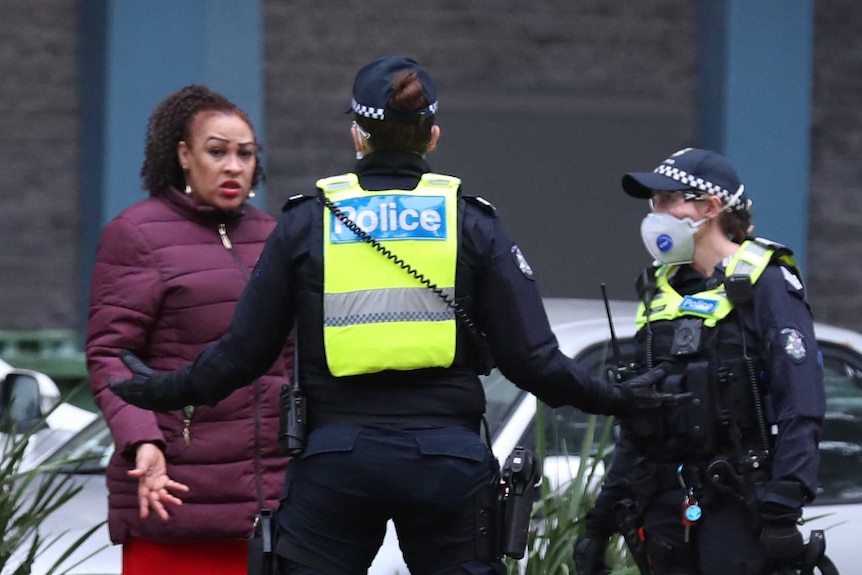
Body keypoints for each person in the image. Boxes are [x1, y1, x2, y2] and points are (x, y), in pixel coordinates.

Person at [108, 56, 670, 575]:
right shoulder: (472, 222)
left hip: (336, 464)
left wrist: (159, 389)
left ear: (357, 133)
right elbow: (534, 361)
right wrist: (618, 399)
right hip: (448, 463)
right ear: (432, 135)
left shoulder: (308, 224)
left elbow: (242, 355)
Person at [572, 148, 825, 575]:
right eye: (653, 201)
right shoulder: (658, 289)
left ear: (709, 208)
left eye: (669, 199)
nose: (656, 212)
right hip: (665, 507)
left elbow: (801, 402)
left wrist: (783, 505)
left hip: (741, 504)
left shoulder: (765, 281)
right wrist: (601, 520)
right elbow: (638, 419)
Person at [85, 84, 293, 575]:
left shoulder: (274, 235)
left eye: (245, 154)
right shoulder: (137, 234)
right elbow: (110, 353)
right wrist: (144, 442)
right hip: (176, 496)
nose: (233, 167)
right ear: (183, 155)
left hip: (274, 508)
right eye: (216, 152)